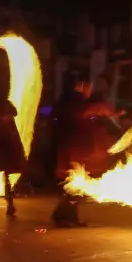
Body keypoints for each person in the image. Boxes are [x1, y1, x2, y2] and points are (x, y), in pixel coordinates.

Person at [52, 78, 95, 227]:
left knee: (75, 185)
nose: (90, 91)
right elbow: (74, 128)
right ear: (81, 86)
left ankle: (71, 217)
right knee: (70, 184)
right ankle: (61, 217)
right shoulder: (74, 104)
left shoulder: (74, 103)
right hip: (71, 150)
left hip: (75, 150)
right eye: (88, 87)